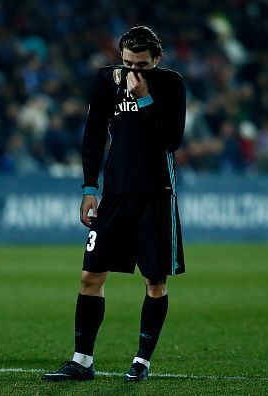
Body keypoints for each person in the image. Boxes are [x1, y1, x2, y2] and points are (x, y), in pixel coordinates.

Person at [42, 25, 186, 382]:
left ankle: (141, 362)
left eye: (142, 65)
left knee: (154, 282)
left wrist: (145, 98)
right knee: (90, 275)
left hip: (156, 195)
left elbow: (172, 140)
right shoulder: (106, 81)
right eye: (127, 63)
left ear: (157, 59)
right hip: (115, 196)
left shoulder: (170, 84)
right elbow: (92, 135)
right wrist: (90, 188)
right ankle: (82, 361)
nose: (134, 71)